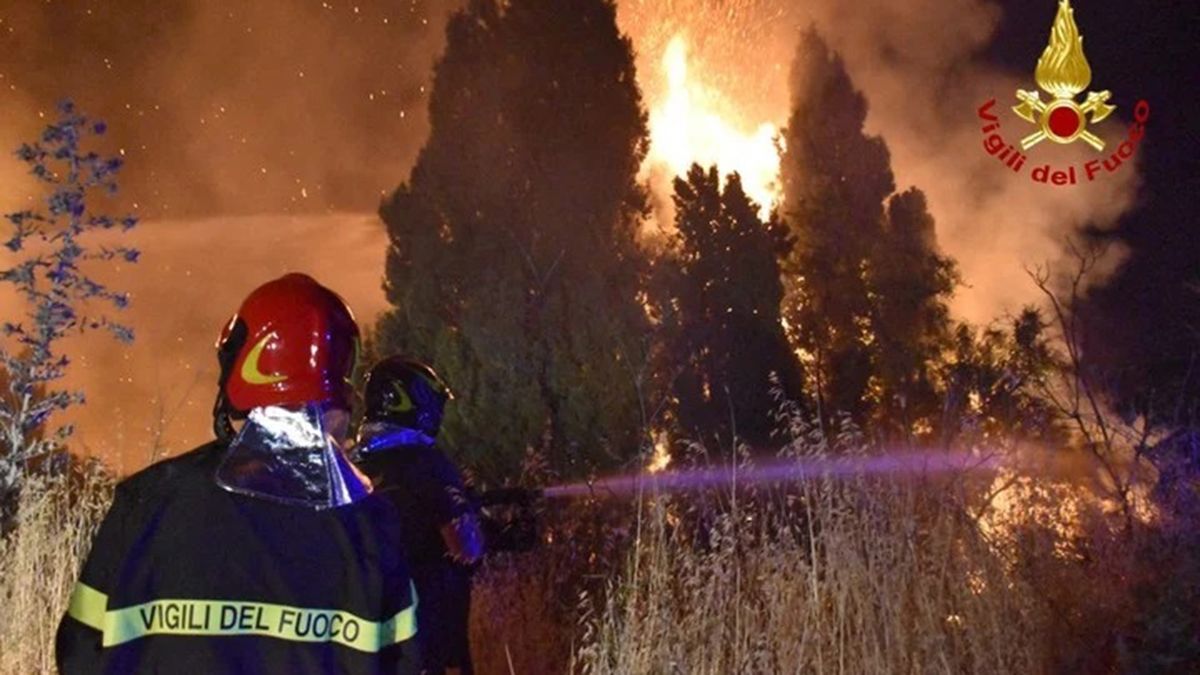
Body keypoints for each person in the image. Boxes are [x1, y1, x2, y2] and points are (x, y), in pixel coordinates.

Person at [56, 273, 420, 674]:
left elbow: (79, 652)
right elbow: (407, 660)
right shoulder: (369, 521)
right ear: (339, 393)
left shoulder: (148, 501)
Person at [355, 357, 484, 675]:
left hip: (359, 638)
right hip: (419, 635)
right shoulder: (427, 463)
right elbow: (467, 548)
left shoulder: (347, 464)